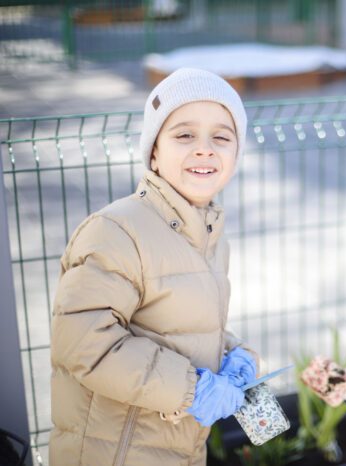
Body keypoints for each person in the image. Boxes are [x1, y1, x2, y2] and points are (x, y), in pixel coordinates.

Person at [49, 68, 258, 466]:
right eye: (184, 135)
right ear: (155, 153)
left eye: (221, 137)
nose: (204, 149)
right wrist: (191, 389)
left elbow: (179, 326)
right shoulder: (116, 231)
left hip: (181, 450)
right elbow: (83, 343)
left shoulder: (211, 237)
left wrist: (234, 353)